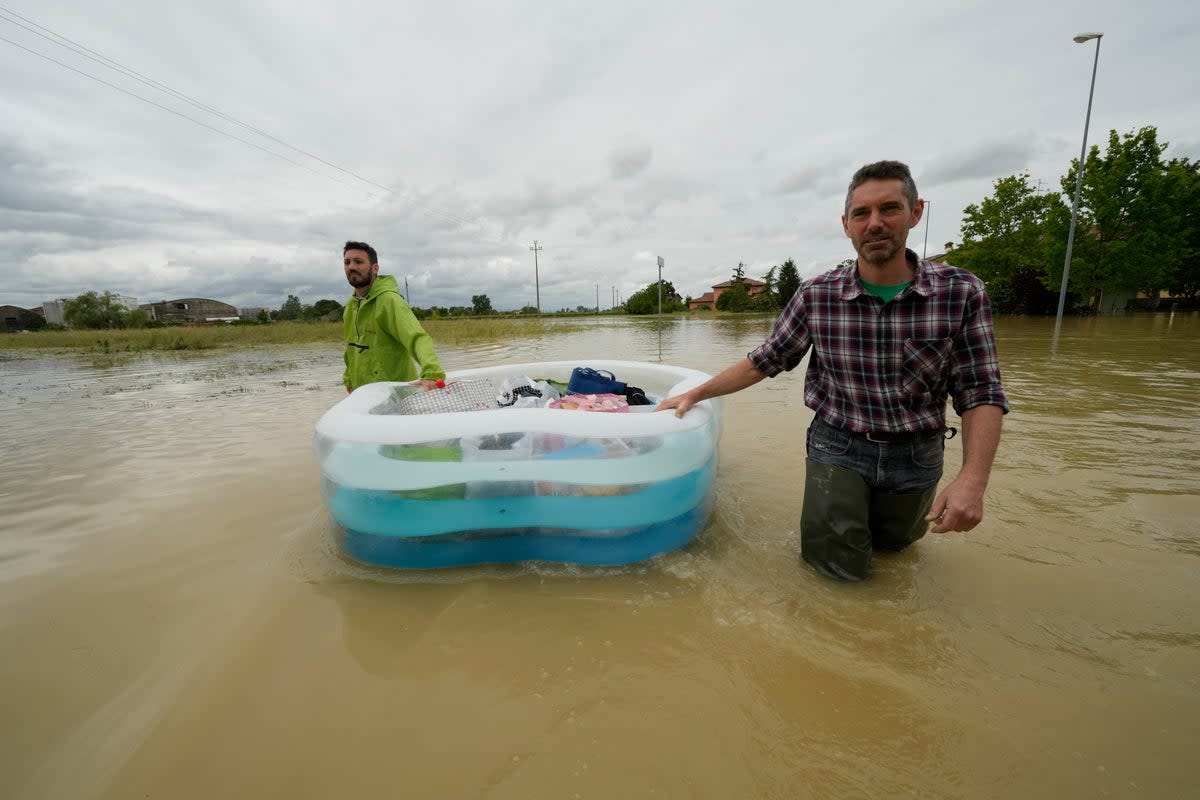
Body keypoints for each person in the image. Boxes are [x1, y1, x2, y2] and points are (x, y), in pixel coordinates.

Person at [657, 161, 1009, 581]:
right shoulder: (817, 294)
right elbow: (766, 359)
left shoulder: (962, 291)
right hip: (837, 447)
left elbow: (980, 390)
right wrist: (698, 394)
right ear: (846, 225)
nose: (874, 223)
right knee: (835, 573)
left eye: (889, 209)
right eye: (861, 213)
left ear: (916, 213)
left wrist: (973, 481)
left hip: (918, 453)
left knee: (896, 554)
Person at [341, 240, 445, 392]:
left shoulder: (389, 300)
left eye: (358, 262)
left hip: (394, 393)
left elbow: (416, 338)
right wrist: (349, 379)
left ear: (375, 268)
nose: (352, 267)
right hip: (363, 393)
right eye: (347, 262)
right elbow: (351, 349)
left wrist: (432, 373)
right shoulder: (351, 305)